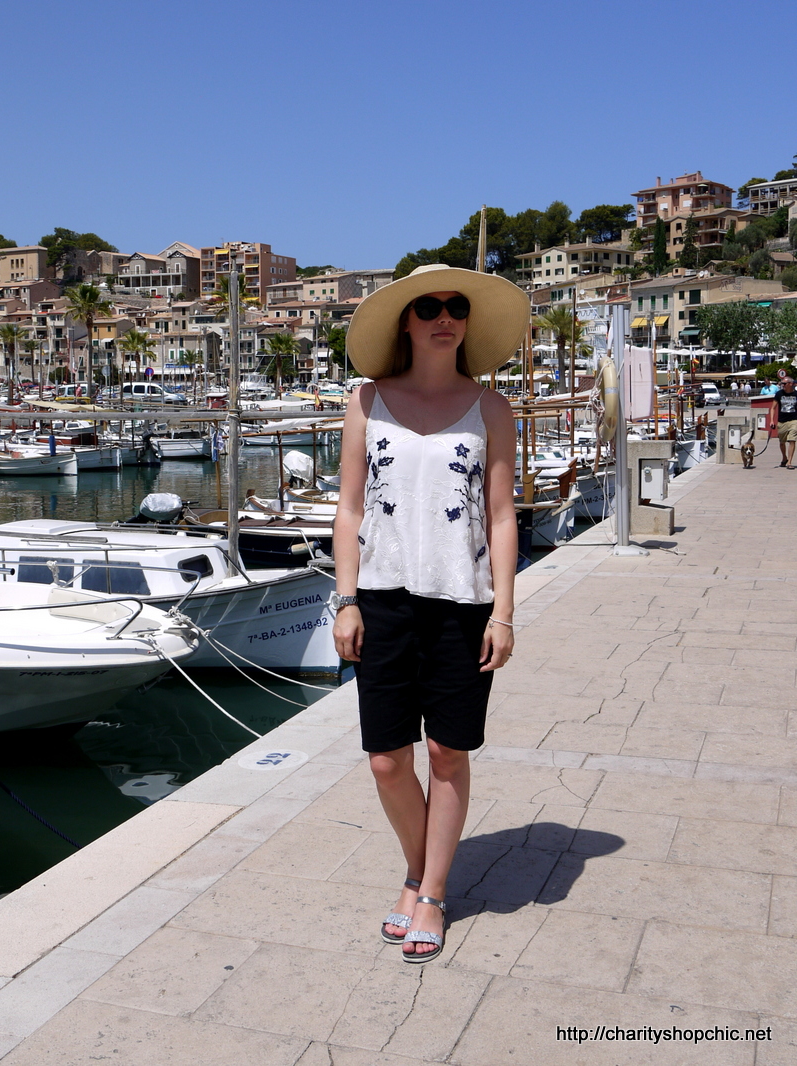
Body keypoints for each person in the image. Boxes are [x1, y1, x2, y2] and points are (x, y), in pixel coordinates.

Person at [333, 264, 527, 964]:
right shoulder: (366, 401)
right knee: (387, 761)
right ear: (405, 322)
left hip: (461, 604)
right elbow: (349, 509)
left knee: (447, 752)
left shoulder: (490, 409)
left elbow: (501, 516)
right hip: (381, 600)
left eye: (456, 306)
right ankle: (418, 872)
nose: (444, 316)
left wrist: (504, 613)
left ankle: (431, 893)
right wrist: (346, 600)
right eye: (428, 306)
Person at [775, 376, 797, 468]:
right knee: (782, 442)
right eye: (782, 383)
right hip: (782, 421)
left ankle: (789, 462)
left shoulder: (796, 394)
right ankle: (784, 458)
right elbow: (773, 408)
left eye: (784, 383)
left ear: (790, 384)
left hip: (794, 420)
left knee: (792, 440)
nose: (782, 385)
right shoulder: (779, 394)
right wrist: (772, 420)